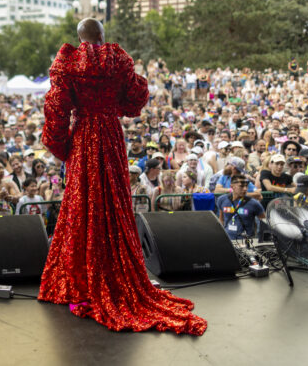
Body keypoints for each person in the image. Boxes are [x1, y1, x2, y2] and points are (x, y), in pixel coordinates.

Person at [38, 18, 206, 335]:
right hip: (112, 136)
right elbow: (137, 96)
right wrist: (113, 105)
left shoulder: (69, 62)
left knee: (82, 203)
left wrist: (61, 147)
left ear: (80, 36)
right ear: (103, 36)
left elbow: (56, 106)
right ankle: (116, 273)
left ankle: (84, 279)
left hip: (85, 137)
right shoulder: (120, 60)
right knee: (114, 201)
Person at [216, 173, 265, 240]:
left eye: (246, 186)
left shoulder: (254, 204)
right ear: (232, 186)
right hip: (228, 240)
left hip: (247, 241)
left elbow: (264, 222)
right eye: (241, 186)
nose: (245, 189)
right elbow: (221, 219)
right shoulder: (222, 200)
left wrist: (260, 238)